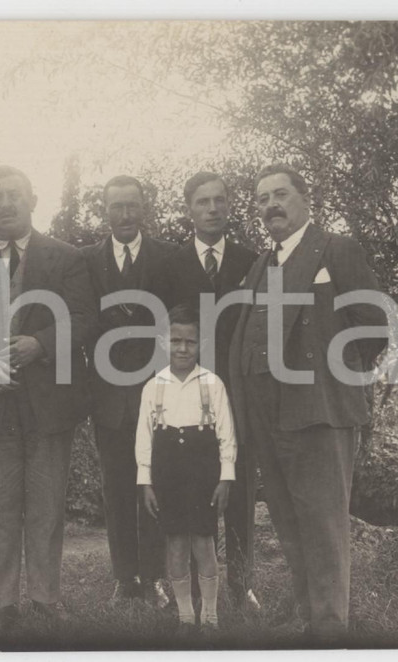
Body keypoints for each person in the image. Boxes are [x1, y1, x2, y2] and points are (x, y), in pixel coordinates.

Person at [228, 164, 388, 641]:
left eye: (280, 194)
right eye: (262, 199)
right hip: (268, 413)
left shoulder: (335, 249)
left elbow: (373, 323)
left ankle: (330, 626)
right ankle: (306, 611)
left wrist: (329, 376)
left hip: (318, 412)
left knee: (322, 523)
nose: (271, 205)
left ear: (305, 199)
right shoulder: (262, 263)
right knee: (287, 517)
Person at [0, 165, 98, 632]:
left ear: (32, 201)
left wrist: (40, 344)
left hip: (50, 405)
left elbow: (86, 317)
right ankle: (2, 603)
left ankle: (46, 598)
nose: (3, 204)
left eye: (12, 195)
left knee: (47, 507)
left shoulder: (65, 257)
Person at [159, 171, 260, 611]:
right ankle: (196, 585)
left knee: (236, 483)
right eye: (203, 202)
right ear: (189, 210)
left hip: (238, 391)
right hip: (187, 391)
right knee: (190, 484)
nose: (213, 209)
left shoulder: (251, 261)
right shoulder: (172, 263)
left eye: (220, 200)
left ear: (229, 206)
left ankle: (241, 582)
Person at [81, 175, 176, 608]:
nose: (124, 214)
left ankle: (156, 576)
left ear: (143, 208)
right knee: (116, 486)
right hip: (108, 396)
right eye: (116, 206)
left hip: (158, 391)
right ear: (105, 210)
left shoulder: (167, 258)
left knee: (155, 483)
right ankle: (125, 577)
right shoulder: (86, 261)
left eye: (131, 206)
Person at [136, 304, 236, 632]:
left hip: (204, 473)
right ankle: (184, 614)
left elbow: (226, 435)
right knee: (176, 542)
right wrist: (145, 481)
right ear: (165, 342)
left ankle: (210, 613)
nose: (182, 348)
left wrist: (225, 477)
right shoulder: (154, 387)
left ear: (200, 344)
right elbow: (144, 438)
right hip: (168, 475)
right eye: (175, 340)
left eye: (189, 342)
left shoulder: (213, 384)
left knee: (204, 541)